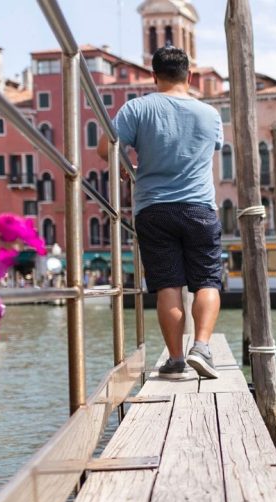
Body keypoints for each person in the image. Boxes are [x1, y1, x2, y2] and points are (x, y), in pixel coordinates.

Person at [99, 45, 224, 380]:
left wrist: (126, 165)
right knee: (207, 281)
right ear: (190, 76)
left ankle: (176, 358)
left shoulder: (136, 108)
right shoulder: (209, 114)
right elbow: (211, 149)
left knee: (168, 283)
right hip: (200, 208)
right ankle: (202, 347)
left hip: (153, 209)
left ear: (153, 76)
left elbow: (104, 149)